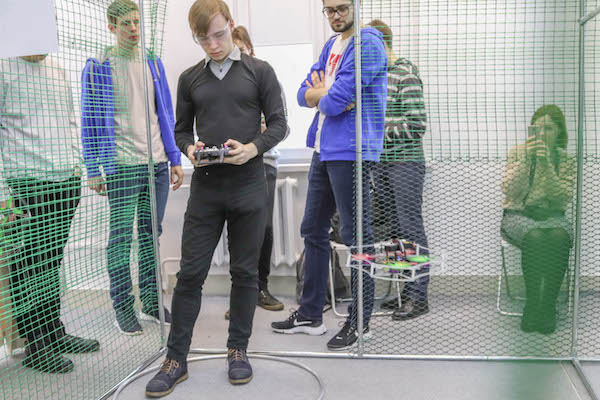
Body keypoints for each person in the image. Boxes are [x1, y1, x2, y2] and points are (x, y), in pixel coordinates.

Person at [145, 0, 288, 396]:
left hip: (249, 186)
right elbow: (180, 130)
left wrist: (252, 148)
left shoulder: (259, 71)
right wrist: (189, 149)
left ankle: (237, 350)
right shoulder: (190, 78)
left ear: (231, 25)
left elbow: (280, 124)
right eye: (203, 39)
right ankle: (176, 359)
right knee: (190, 274)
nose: (213, 44)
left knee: (245, 273)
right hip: (207, 190)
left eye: (219, 35)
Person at [271, 0, 387, 352]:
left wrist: (324, 94)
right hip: (323, 149)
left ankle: (360, 321)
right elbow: (303, 94)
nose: (335, 16)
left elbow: (336, 101)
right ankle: (310, 315)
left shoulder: (368, 42)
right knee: (312, 230)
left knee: (357, 236)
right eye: (329, 10)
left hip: (351, 151)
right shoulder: (331, 46)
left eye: (341, 8)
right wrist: (323, 93)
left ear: (356, 5)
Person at [81, 0, 183, 336]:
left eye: (137, 22)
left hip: (156, 164)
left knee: (151, 235)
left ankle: (151, 303)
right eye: (126, 23)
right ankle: (122, 308)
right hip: (122, 166)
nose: (134, 29)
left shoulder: (152, 62)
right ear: (112, 27)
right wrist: (93, 168)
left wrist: (174, 158)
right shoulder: (98, 66)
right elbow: (90, 120)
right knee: (121, 238)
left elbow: (165, 113)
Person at [0, 54, 99, 373]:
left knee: (52, 261)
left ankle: (54, 332)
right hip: (25, 182)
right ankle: (36, 345)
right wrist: (4, 197)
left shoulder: (56, 67)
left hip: (65, 179)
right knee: (29, 263)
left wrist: (75, 165)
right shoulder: (3, 68)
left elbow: (69, 121)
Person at [220, 26, 289, 319]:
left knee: (263, 228)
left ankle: (260, 288)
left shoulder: (266, 78)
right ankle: (240, 295)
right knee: (235, 229)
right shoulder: (221, 85)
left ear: (250, 50)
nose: (237, 56)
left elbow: (284, 127)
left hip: (264, 163)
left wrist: (264, 134)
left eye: (242, 50)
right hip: (231, 166)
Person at [366, 20, 431, 321]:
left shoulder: (405, 73)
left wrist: (377, 131)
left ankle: (419, 297)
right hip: (381, 163)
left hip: (405, 162)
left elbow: (417, 124)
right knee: (394, 230)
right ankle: (405, 292)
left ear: (382, 44)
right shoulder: (376, 76)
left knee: (409, 227)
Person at [501, 105, 575, 334]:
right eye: (538, 128)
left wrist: (546, 165)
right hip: (518, 215)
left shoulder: (566, 159)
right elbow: (509, 190)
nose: (542, 134)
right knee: (535, 237)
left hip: (553, 216)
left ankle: (548, 305)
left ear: (559, 132)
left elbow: (563, 196)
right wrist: (527, 160)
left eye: (549, 129)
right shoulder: (518, 152)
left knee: (559, 237)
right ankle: (533, 304)